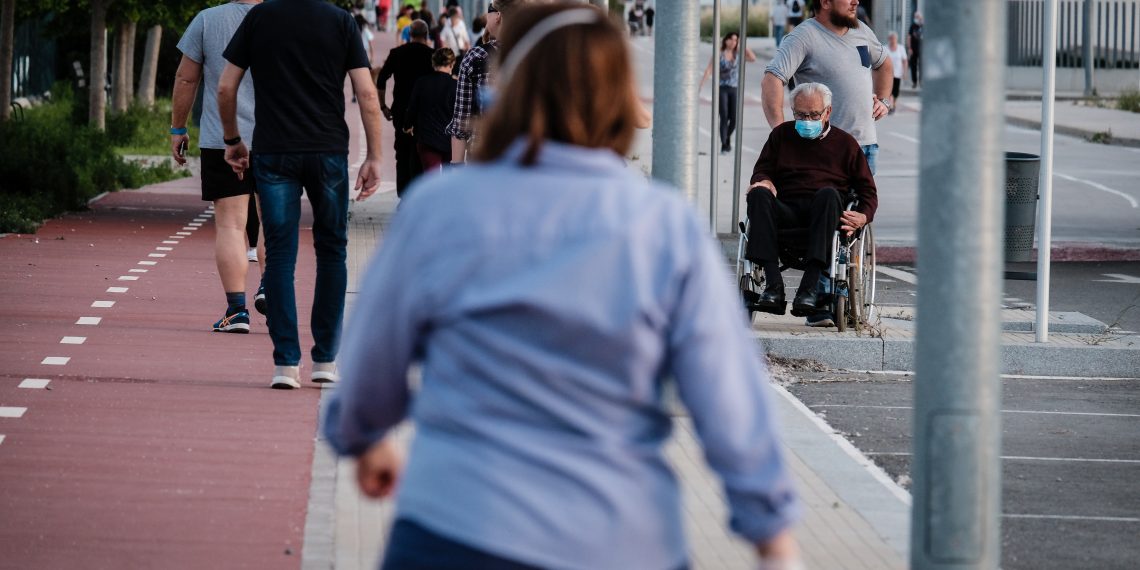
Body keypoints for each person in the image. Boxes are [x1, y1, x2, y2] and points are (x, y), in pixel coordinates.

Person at [322, 4, 801, 569]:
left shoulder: (440, 211)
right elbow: (729, 399)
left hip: (455, 526)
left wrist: (365, 437)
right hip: (623, 537)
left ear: (509, 89)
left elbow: (369, 366)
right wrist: (773, 537)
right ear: (619, 96)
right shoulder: (663, 227)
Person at [217, 0, 384, 389]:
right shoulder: (341, 21)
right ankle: (325, 359)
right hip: (327, 151)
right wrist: (374, 156)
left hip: (274, 151)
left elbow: (226, 86)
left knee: (279, 254)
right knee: (332, 251)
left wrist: (232, 141)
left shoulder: (259, 18)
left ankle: (285, 364)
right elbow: (368, 94)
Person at [760, 0, 890, 325]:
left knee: (847, 224)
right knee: (824, 211)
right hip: (821, 149)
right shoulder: (805, 37)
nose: (855, 1)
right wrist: (781, 133)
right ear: (825, 2)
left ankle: (832, 294)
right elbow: (773, 78)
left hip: (863, 145)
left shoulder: (862, 31)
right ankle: (817, 301)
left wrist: (885, 99)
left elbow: (884, 63)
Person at [170, 0, 265, 334]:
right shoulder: (286, 19)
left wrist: (178, 128)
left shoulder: (207, 20)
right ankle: (271, 289)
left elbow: (186, 78)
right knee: (272, 220)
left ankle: (237, 311)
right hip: (277, 139)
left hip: (222, 139)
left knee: (230, 225)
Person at [745, 82, 877, 318]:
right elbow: (762, 170)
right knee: (757, 194)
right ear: (793, 110)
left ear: (828, 112)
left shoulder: (845, 144)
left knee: (828, 194)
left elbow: (867, 191)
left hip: (824, 214)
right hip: (786, 210)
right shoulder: (781, 135)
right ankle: (773, 286)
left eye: (813, 114)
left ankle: (809, 288)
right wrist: (764, 180)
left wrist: (864, 215)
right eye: (800, 114)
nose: (807, 120)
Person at [377, 19, 435, 195]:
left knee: (402, 153)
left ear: (410, 34)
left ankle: (403, 193)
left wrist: (383, 107)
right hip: (425, 113)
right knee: (421, 153)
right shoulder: (432, 55)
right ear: (427, 34)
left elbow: (381, 80)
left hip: (401, 110)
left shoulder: (397, 53)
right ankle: (419, 192)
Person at [446, 0, 506, 164]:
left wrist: (456, 168)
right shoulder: (537, 55)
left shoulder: (477, 56)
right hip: (526, 163)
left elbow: (461, 123)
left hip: (483, 159)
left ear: (498, 16)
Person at [699, 31, 757, 154]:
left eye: (735, 40)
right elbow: (709, 70)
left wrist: (742, 44)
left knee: (734, 118)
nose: (733, 42)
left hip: (734, 89)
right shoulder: (719, 55)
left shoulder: (738, 55)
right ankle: (724, 144)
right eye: (731, 39)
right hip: (722, 89)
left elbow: (752, 58)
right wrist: (700, 85)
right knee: (724, 117)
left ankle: (727, 137)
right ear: (725, 40)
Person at [403, 48, 457, 174]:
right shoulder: (456, 86)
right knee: (449, 179)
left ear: (433, 63)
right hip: (450, 140)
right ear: (451, 64)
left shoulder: (422, 82)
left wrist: (407, 126)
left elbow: (412, 108)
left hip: (428, 138)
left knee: (431, 179)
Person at [885, 31, 907, 114]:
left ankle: (894, 104)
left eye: (894, 38)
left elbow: (905, 61)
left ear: (896, 39)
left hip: (898, 73)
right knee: (889, 91)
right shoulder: (885, 48)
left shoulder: (901, 48)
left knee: (896, 91)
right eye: (891, 38)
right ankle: (890, 106)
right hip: (887, 73)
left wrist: (905, 72)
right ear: (889, 39)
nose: (892, 40)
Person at [907, 10, 923, 88]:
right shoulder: (912, 26)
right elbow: (909, 37)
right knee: (913, 66)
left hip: (922, 49)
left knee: (922, 66)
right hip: (913, 49)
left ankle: (921, 81)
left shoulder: (923, 26)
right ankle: (914, 82)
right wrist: (909, 48)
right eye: (915, 17)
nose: (916, 18)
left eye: (918, 17)